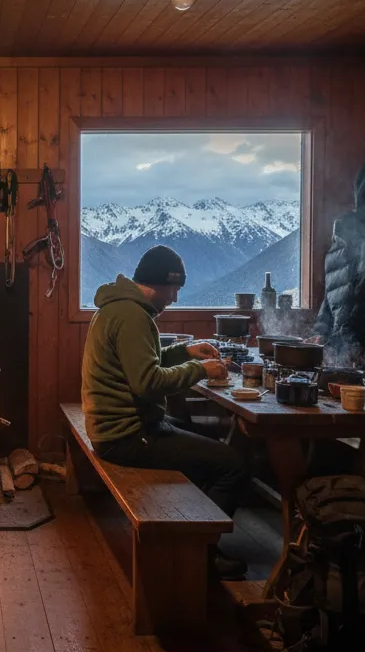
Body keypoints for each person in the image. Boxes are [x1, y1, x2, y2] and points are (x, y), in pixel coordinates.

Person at [81, 245, 252, 579]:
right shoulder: (133, 316)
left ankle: (189, 536)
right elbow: (147, 381)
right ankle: (201, 557)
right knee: (233, 465)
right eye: (174, 290)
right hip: (126, 436)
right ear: (159, 283)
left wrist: (184, 351)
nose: (174, 299)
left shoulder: (120, 308)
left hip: (117, 427)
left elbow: (143, 357)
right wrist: (202, 370)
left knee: (210, 442)